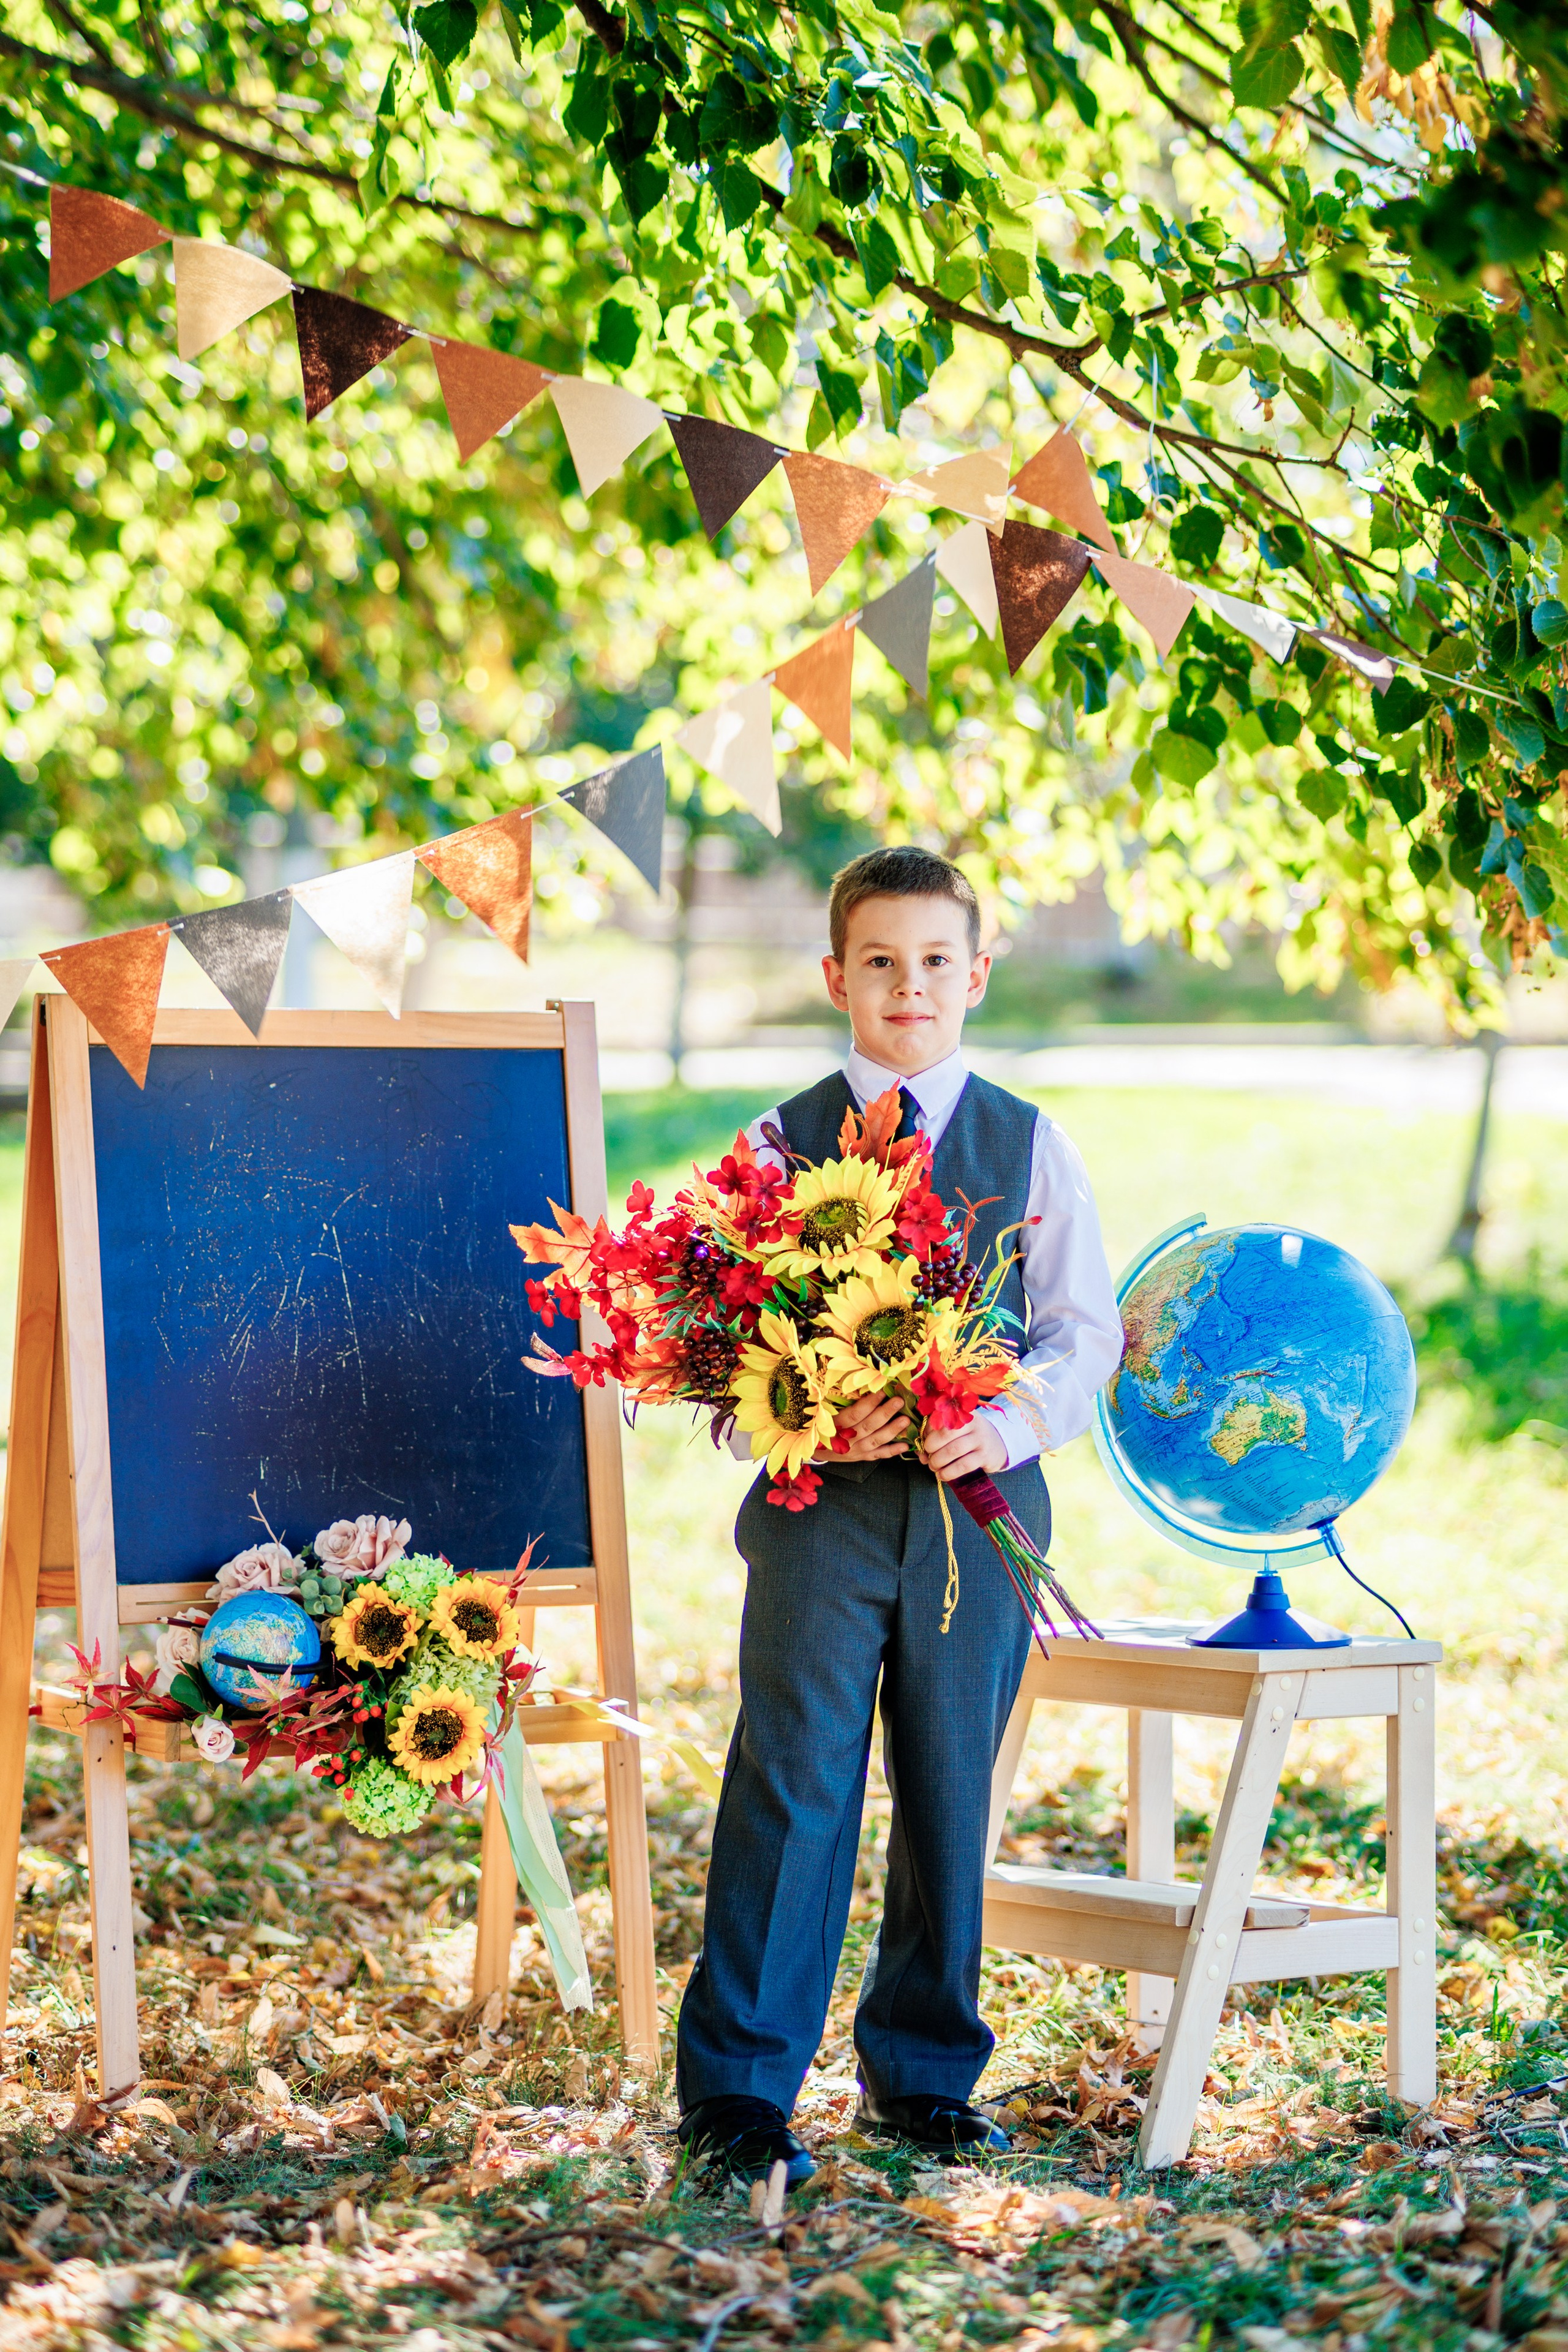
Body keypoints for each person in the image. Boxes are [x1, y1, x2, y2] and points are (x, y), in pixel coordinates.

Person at [674, 845, 1124, 2190]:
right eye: (880, 961)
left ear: (976, 975)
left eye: (935, 961)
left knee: (947, 1779)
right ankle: (741, 2089)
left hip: (977, 1511)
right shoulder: (773, 1146)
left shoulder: (1029, 1142)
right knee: (793, 1775)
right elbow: (713, 1348)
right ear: (836, 978)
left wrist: (1008, 1422)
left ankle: (924, 2073)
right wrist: (805, 1416)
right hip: (820, 1513)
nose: (908, 985)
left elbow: (1082, 1332)